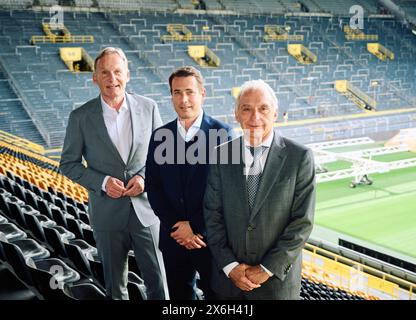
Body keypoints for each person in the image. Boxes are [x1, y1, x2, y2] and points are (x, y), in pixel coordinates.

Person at [60, 47, 167, 300]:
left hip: (146, 212)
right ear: (94, 77)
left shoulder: (149, 107)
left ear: (127, 75)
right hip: (106, 215)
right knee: (116, 290)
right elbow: (68, 164)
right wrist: (103, 182)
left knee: (160, 285)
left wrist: (144, 178)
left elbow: (162, 157)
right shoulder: (80, 117)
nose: (112, 78)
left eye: (117, 71)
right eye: (105, 73)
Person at [203, 79, 316, 300]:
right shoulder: (220, 154)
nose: (255, 118)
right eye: (246, 109)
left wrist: (266, 270)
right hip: (229, 286)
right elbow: (212, 216)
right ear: (236, 114)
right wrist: (230, 266)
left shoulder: (299, 157)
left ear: (275, 113)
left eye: (263, 108)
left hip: (276, 288)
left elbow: (302, 223)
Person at [145, 66, 232, 300]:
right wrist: (176, 226)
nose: (183, 100)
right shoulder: (159, 136)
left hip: (210, 240)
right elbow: (153, 186)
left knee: (217, 299)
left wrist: (195, 227)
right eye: (177, 92)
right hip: (173, 239)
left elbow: (228, 193)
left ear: (202, 93)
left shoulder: (222, 134)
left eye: (190, 92)